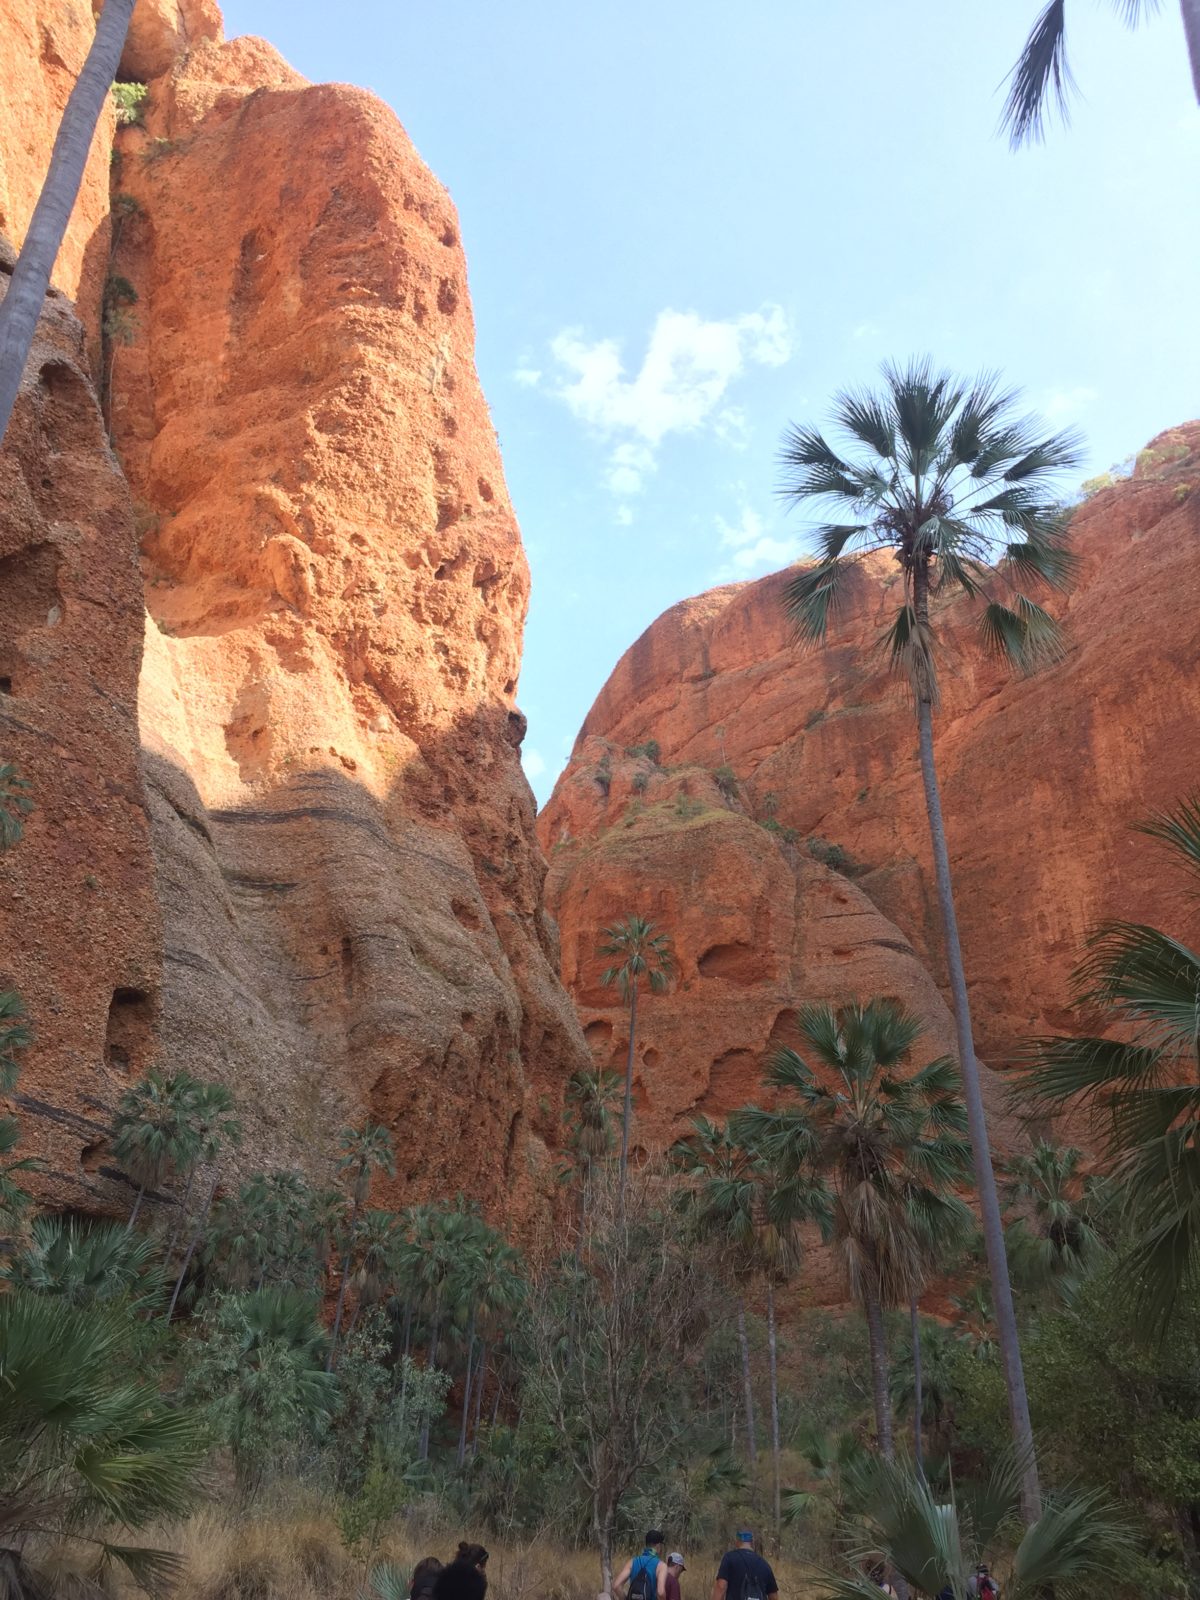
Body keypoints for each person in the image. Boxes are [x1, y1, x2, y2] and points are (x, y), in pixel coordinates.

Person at [711, 1531, 778, 1600]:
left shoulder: (729, 1558)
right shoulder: (765, 1565)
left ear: (737, 1542)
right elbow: (774, 1596)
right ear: (752, 1543)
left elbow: (721, 1587)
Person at [615, 1530, 669, 1600]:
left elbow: (616, 1586)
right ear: (658, 1545)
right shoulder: (661, 1566)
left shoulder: (632, 1562)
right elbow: (660, 1592)